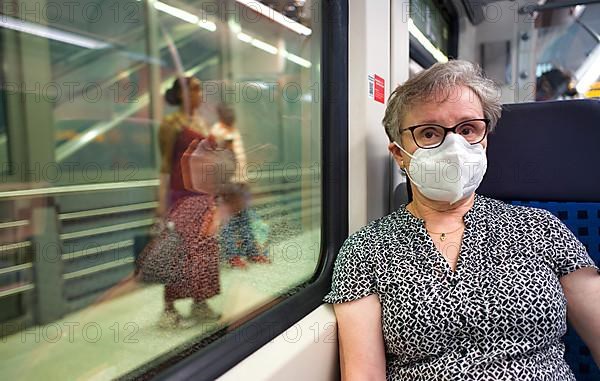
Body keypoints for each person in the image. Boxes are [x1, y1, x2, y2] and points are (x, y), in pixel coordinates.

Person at [324, 60, 600, 380]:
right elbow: (364, 375)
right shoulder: (366, 249)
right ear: (399, 154)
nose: (454, 147)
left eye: (468, 129)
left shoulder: (543, 228)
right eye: (429, 132)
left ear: (484, 140)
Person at [156, 76, 220, 327]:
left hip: (203, 196)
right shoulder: (170, 124)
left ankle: (200, 303)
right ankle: (169, 309)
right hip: (181, 197)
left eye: (199, 88)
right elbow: (164, 165)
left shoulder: (202, 123)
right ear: (181, 94)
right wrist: (161, 203)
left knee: (204, 251)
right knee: (179, 252)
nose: (199, 93)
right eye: (194, 89)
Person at [211, 103, 269, 268]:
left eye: (232, 112)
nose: (231, 115)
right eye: (227, 112)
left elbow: (240, 157)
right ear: (220, 114)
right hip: (226, 185)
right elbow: (220, 160)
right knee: (228, 224)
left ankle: (251, 252)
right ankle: (232, 257)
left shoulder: (233, 129)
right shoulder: (217, 131)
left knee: (245, 220)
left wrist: (244, 181)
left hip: (240, 183)